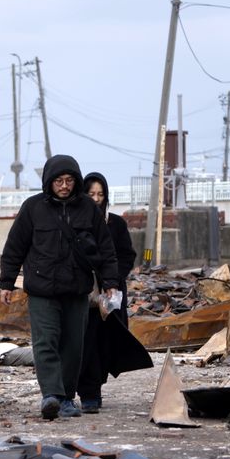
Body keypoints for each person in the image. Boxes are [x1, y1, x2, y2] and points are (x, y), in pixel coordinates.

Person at [0, 155, 121, 420]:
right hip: (42, 290)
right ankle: (51, 396)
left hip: (76, 290)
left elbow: (105, 248)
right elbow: (14, 248)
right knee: (45, 342)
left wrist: (110, 282)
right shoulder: (32, 208)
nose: (64, 186)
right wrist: (6, 283)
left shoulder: (88, 208)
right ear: (49, 182)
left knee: (73, 347)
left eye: (69, 181)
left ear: (76, 181)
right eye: (59, 181)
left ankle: (66, 397)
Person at [77, 172, 137, 413]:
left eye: (100, 194)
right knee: (86, 341)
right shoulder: (77, 222)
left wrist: (112, 279)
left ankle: (96, 385)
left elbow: (126, 256)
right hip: (85, 292)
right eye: (91, 194)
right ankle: (89, 392)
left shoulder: (116, 224)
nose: (96, 199)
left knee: (106, 341)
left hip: (111, 293)